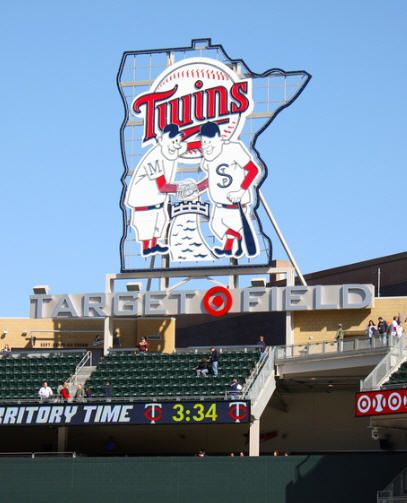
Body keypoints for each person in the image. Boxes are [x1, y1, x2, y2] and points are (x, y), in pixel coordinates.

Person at [196, 121, 262, 258]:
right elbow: (212, 179)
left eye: (208, 141)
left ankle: (234, 242)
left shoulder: (233, 148)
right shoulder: (208, 158)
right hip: (219, 205)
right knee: (216, 225)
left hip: (236, 205)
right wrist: (197, 188)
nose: (205, 145)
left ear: (218, 138)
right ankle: (233, 242)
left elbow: (253, 170)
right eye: (203, 142)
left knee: (228, 225)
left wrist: (240, 191)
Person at [125, 123, 189, 257]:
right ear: (163, 140)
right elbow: (163, 186)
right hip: (144, 204)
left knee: (160, 223)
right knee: (147, 228)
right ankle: (147, 247)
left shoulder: (172, 149)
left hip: (158, 203)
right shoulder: (154, 157)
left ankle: (154, 245)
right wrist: (182, 187)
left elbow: (189, 146)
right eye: (174, 140)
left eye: (178, 140)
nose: (177, 144)